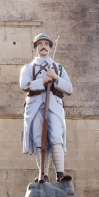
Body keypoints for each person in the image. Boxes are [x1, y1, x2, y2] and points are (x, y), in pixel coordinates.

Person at [20, 33, 73, 182]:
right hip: (35, 105)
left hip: (54, 105)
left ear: (50, 47)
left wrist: (56, 78)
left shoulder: (59, 68)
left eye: (46, 44)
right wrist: (43, 80)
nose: (43, 46)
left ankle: (60, 173)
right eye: (40, 44)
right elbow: (24, 84)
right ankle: (42, 174)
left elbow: (69, 88)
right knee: (39, 138)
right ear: (36, 47)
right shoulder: (28, 67)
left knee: (56, 136)